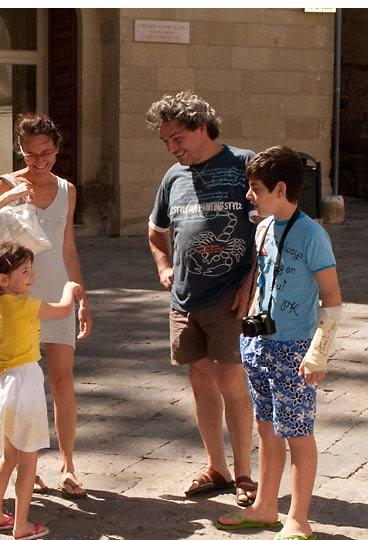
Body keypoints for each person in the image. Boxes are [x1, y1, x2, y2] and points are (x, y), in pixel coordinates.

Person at [214, 146, 342, 540]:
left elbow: (332, 299)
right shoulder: (264, 228)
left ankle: (299, 519)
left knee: (297, 434)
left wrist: (319, 351)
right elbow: (261, 280)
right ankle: (265, 507)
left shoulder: (312, 235)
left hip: (294, 349)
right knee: (267, 429)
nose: (248, 195)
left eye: (255, 188)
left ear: (281, 189)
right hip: (258, 345)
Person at [0, 113, 92, 499]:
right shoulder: (6, 183)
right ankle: (23, 463)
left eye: (47, 153)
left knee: (62, 381)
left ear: (57, 149)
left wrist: (82, 299)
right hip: (15, 298)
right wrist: (5, 198)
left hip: (56, 292)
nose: (40, 161)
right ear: (20, 151)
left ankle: (68, 465)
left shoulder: (67, 189)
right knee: (19, 384)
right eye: (32, 154)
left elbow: (68, 247)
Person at [145, 91, 257, 506]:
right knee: (200, 381)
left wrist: (251, 283)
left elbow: (269, 230)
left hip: (230, 297)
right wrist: (163, 266)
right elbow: (156, 231)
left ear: (202, 127)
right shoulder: (173, 178)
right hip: (185, 298)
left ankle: (244, 473)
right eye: (166, 142)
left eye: (177, 138)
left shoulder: (244, 164)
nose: (172, 149)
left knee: (231, 381)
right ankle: (216, 467)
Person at [0, 241, 83, 540]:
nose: (32, 276)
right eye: (25, 271)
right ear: (3, 279)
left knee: (8, 457)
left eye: (31, 269)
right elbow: (63, 310)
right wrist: (69, 287)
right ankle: (21, 525)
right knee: (28, 459)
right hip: (24, 383)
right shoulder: (26, 305)